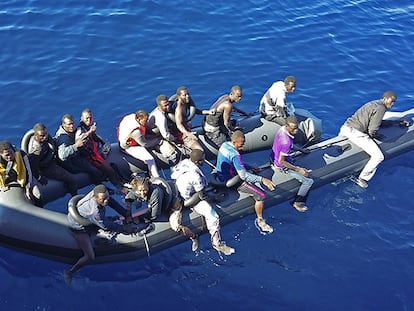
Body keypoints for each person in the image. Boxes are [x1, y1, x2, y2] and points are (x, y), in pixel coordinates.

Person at [65, 184, 134, 285]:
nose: (106, 201)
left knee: (112, 219)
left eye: (107, 197)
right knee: (90, 256)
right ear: (96, 198)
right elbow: (105, 225)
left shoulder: (101, 195)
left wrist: (125, 213)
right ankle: (69, 272)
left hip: (89, 219)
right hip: (79, 228)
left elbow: (112, 203)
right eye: (103, 199)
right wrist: (124, 229)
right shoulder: (95, 212)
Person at [171, 149, 235, 255]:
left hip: (179, 191)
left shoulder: (185, 162)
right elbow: (202, 196)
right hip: (189, 199)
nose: (204, 161)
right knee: (213, 216)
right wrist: (216, 198)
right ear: (197, 162)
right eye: (202, 159)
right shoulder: (195, 176)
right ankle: (217, 244)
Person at [215, 130, 276, 234]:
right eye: (241, 144)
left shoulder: (225, 145)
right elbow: (243, 176)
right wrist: (262, 179)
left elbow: (235, 163)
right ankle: (260, 220)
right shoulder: (235, 154)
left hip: (220, 175)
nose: (243, 146)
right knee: (261, 196)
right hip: (231, 180)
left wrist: (250, 167)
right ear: (234, 142)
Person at [338, 91, 397, 188]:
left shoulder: (373, 103)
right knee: (378, 156)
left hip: (346, 128)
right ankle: (362, 178)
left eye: (394, 101)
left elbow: (377, 122)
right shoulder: (381, 108)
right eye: (391, 101)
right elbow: (372, 130)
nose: (392, 104)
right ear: (385, 99)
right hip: (356, 133)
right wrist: (376, 137)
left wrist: (395, 122)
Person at [126, 175, 199, 251]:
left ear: (148, 186)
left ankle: (193, 236)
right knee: (139, 202)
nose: (142, 193)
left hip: (173, 205)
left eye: (144, 190)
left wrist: (140, 219)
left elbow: (154, 215)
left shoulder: (155, 193)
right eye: (139, 191)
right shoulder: (137, 190)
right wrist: (128, 213)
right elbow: (128, 199)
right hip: (160, 203)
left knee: (175, 226)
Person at [259, 76, 319, 146]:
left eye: (294, 86)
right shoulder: (281, 96)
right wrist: (288, 119)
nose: (293, 89)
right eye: (291, 87)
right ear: (286, 85)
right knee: (289, 125)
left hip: (263, 109)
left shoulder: (279, 83)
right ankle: (295, 142)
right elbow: (281, 112)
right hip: (269, 114)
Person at [270, 116, 314, 211]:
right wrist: (299, 170)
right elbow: (282, 161)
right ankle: (297, 202)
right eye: (294, 129)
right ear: (287, 126)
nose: (296, 131)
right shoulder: (286, 142)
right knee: (308, 182)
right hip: (281, 165)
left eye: (297, 128)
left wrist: (301, 150)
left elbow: (289, 146)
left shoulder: (282, 130)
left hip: (274, 156)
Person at [75, 109, 123, 188]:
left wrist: (102, 142)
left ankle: (117, 179)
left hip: (95, 151)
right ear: (82, 118)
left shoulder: (89, 127)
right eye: (87, 118)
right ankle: (118, 186)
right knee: (109, 170)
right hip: (91, 156)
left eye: (90, 118)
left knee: (108, 150)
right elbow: (78, 140)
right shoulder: (80, 130)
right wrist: (90, 132)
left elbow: (94, 137)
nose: (89, 120)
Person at [27, 123, 78, 197]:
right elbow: (33, 167)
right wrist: (39, 177)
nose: (45, 137)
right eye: (42, 136)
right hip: (47, 167)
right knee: (72, 179)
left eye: (46, 134)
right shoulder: (36, 151)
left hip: (52, 159)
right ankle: (74, 195)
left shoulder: (45, 139)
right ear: (36, 136)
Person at [55, 114, 103, 184]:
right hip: (70, 162)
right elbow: (62, 156)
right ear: (63, 124)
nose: (72, 126)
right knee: (93, 170)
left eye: (73, 123)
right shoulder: (63, 138)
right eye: (69, 124)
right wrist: (76, 146)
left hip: (76, 154)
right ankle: (99, 184)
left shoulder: (73, 130)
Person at [118, 110, 163, 178]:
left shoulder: (132, 116)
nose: (147, 122)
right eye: (145, 120)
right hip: (128, 146)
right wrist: (157, 140)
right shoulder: (136, 131)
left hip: (127, 136)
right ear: (139, 119)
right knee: (150, 159)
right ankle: (156, 177)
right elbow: (145, 144)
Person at [168, 86, 215, 151]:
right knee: (200, 150)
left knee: (189, 124)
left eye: (188, 94)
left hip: (185, 127)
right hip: (180, 132)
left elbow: (195, 111)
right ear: (179, 97)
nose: (187, 96)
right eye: (184, 95)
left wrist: (208, 112)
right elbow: (179, 125)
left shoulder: (185, 103)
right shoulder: (179, 108)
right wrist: (188, 134)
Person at [0, 140, 43, 207]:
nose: (10, 156)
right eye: (7, 155)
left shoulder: (22, 155)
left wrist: (27, 189)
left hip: (24, 176)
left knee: (37, 194)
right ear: (1, 154)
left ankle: (39, 208)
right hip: (9, 177)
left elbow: (28, 172)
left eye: (11, 153)